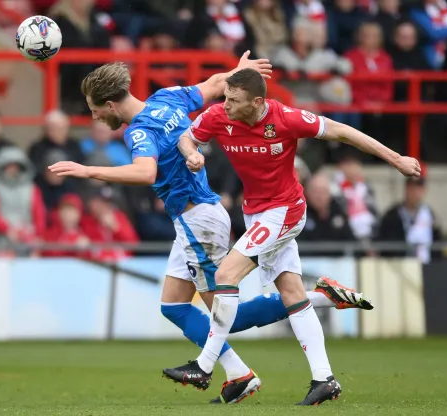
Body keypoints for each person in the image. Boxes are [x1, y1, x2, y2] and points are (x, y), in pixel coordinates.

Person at [49, 53, 373, 404]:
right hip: (194, 217)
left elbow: (145, 173)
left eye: (95, 109)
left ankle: (317, 300)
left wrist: (87, 170)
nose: (94, 116)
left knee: (225, 315)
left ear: (110, 104)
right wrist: (236, 74)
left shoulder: (139, 130)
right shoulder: (167, 96)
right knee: (173, 306)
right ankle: (238, 373)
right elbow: (215, 85)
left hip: (197, 221)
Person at [165, 68, 420, 406]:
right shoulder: (217, 116)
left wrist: (396, 159)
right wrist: (191, 153)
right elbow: (188, 136)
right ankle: (324, 377)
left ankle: (205, 364)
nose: (224, 104)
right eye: (225, 97)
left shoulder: (286, 118)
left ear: (258, 102)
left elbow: (343, 132)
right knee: (291, 293)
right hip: (255, 211)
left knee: (227, 275)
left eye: (234, 100)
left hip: (285, 210)